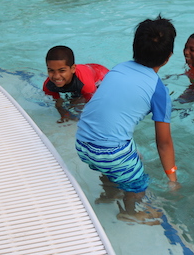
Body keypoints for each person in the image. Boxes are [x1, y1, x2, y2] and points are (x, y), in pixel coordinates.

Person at [75, 15, 179, 224]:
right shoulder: (158, 90)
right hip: (111, 152)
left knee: (128, 157)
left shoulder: (119, 68)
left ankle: (109, 193)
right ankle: (129, 211)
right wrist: (172, 179)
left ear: (134, 47)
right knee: (138, 183)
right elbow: (164, 143)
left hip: (82, 142)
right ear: (168, 57)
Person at [43, 46, 109, 123]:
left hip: (102, 77)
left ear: (73, 69)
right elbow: (57, 102)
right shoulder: (48, 85)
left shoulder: (85, 84)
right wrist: (63, 112)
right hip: (87, 71)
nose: (56, 76)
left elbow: (93, 105)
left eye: (62, 71)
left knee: (78, 104)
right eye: (51, 70)